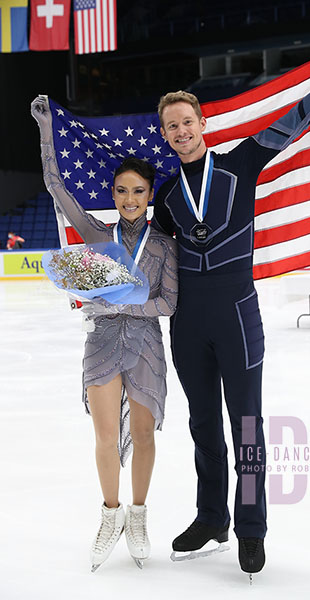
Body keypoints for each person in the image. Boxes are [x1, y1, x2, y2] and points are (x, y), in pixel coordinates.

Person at [151, 35, 310, 579]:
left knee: (246, 426)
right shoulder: (164, 197)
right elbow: (149, 258)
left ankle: (251, 529)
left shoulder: (241, 163)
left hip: (236, 319)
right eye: (171, 127)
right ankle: (211, 517)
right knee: (203, 425)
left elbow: (296, 119)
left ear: (201, 124)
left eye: (187, 121)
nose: (181, 132)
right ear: (165, 136)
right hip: (187, 327)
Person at [31, 96, 178, 572]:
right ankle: (110, 514)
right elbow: (57, 187)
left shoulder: (162, 247)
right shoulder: (98, 238)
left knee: (142, 434)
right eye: (121, 191)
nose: (129, 199)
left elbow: (169, 303)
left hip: (145, 348)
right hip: (101, 345)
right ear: (112, 194)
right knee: (103, 436)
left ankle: (137, 515)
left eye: (137, 191)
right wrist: (45, 130)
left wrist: (126, 301)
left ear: (149, 194)